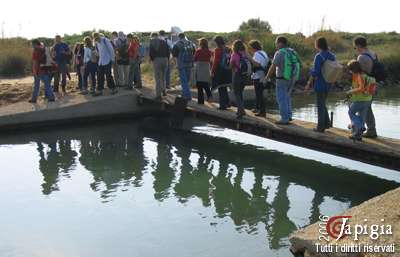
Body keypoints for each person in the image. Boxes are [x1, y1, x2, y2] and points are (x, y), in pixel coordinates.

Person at [266, 36, 301, 125]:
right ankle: (289, 116)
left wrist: (267, 77)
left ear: (280, 43)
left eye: (276, 43)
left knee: (281, 99)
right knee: (287, 97)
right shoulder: (292, 52)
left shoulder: (279, 53)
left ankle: (284, 119)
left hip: (281, 79)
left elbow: (273, 66)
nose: (276, 45)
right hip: (291, 79)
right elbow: (299, 64)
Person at [305, 37, 336, 132]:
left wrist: (310, 72)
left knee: (320, 105)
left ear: (318, 45)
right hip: (329, 82)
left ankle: (320, 127)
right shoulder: (332, 55)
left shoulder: (319, 56)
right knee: (323, 103)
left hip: (320, 83)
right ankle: (326, 123)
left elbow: (317, 72)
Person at [353, 36, 378, 138]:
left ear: (359, 45)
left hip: (366, 85)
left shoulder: (361, 57)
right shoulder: (373, 54)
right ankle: (371, 130)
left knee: (361, 107)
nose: (356, 49)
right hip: (374, 83)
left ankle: (358, 131)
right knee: (367, 108)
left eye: (355, 47)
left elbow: (360, 73)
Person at [346, 60, 374, 141]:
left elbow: (361, 88)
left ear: (353, 69)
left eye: (350, 69)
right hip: (368, 99)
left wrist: (350, 91)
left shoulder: (359, 76)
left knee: (351, 112)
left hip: (360, 100)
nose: (350, 71)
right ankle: (358, 135)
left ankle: (360, 127)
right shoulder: (364, 75)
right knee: (362, 117)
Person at [29, 39, 55, 103]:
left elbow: (35, 62)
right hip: (45, 69)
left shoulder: (36, 51)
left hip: (38, 70)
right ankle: (51, 97)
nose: (31, 46)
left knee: (37, 85)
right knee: (47, 84)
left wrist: (34, 71)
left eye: (32, 44)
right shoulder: (44, 49)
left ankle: (34, 99)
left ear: (35, 44)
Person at [248, 40, 269, 117]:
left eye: (250, 47)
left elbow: (256, 65)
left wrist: (250, 60)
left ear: (253, 47)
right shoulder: (264, 53)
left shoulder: (256, 54)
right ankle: (256, 108)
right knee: (259, 93)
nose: (250, 49)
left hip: (258, 76)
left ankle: (262, 112)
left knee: (259, 93)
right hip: (264, 75)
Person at [172, 33, 195, 100]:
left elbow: (174, 54)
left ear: (179, 37)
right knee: (187, 80)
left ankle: (187, 96)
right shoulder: (191, 43)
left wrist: (176, 63)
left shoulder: (177, 44)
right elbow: (194, 52)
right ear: (185, 36)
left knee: (183, 80)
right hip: (190, 64)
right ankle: (184, 93)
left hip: (181, 64)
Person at [211, 36, 231, 110]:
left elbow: (215, 62)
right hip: (227, 70)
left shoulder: (217, 49)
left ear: (217, 42)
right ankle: (227, 103)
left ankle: (223, 105)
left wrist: (212, 71)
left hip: (219, 70)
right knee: (224, 86)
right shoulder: (228, 48)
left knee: (220, 87)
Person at [230, 40, 247, 119]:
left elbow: (231, 65)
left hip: (237, 75)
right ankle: (242, 110)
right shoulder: (244, 54)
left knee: (237, 94)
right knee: (240, 93)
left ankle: (240, 111)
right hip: (244, 76)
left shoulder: (234, 54)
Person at [149, 32, 170, 99]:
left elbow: (151, 52)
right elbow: (168, 51)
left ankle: (158, 95)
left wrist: (153, 59)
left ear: (152, 36)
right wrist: (167, 59)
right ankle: (164, 91)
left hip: (157, 60)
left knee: (158, 78)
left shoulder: (152, 41)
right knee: (163, 77)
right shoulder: (164, 41)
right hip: (165, 59)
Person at [194, 38, 213, 104]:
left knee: (199, 84)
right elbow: (211, 60)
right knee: (205, 83)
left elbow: (195, 59)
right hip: (207, 67)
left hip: (200, 67)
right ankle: (209, 96)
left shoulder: (198, 51)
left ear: (200, 44)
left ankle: (200, 101)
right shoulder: (209, 51)